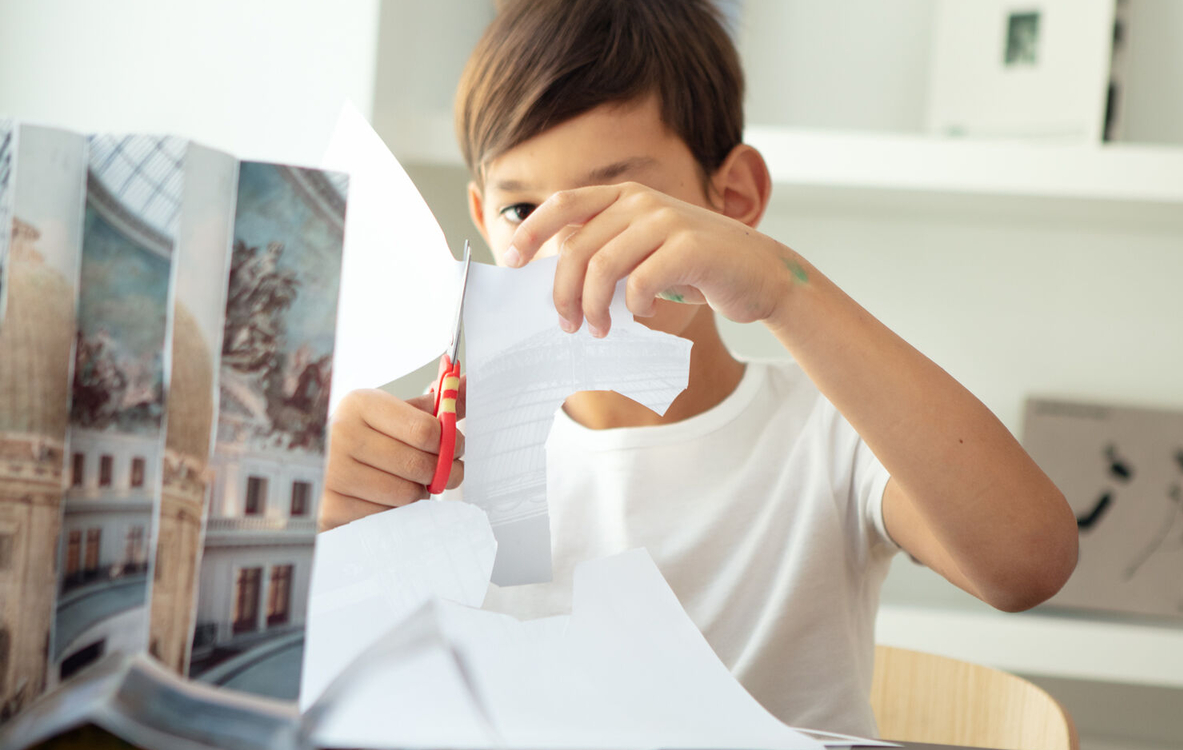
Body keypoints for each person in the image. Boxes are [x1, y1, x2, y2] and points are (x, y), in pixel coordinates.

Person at [319, 0, 1078, 735]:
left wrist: (785, 286)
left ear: (734, 198)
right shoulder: (434, 455)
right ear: (484, 221)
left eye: (621, 204)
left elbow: (1028, 563)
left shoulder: (827, 433)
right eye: (525, 214)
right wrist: (313, 523)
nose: (569, 256)